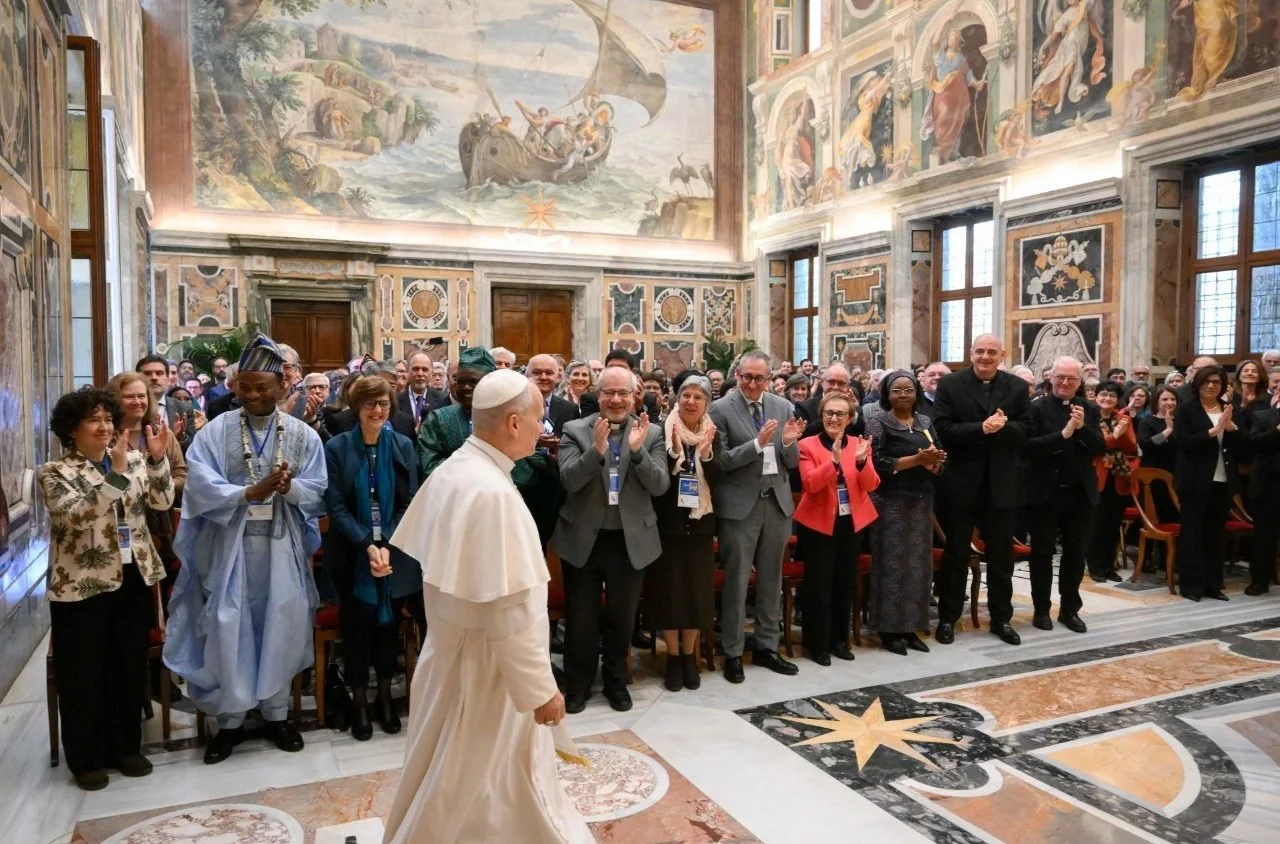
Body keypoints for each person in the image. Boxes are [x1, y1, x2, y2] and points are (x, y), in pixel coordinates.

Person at [385, 370, 591, 844]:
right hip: (490, 673)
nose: (545, 428)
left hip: (454, 656)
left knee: (448, 774)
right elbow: (509, 610)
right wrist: (541, 690)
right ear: (514, 423)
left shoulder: (457, 469)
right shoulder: (493, 493)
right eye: (540, 417)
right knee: (479, 789)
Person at [164, 334, 328, 764]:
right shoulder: (216, 431)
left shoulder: (301, 434)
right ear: (235, 386)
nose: (254, 395)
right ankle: (230, 721)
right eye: (246, 387)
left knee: (282, 624)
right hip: (229, 549)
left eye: (264, 388)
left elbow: (319, 490)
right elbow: (199, 484)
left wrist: (289, 489)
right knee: (228, 626)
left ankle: (276, 715)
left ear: (282, 388)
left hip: (281, 547)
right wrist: (248, 493)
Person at [40, 388, 174, 790]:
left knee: (127, 665)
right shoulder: (54, 473)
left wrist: (155, 458)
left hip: (132, 577)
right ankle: (85, 758)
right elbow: (76, 516)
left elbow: (164, 501)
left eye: (108, 419)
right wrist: (115, 474)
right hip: (80, 585)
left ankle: (126, 747)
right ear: (71, 430)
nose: (104, 427)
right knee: (82, 672)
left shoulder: (132, 459)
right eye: (93, 420)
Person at [551, 366, 669, 713]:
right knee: (582, 619)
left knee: (622, 618)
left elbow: (660, 485)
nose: (616, 400)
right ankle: (578, 685)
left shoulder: (651, 433)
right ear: (597, 395)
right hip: (584, 539)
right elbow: (570, 481)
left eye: (623, 393)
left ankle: (617, 683)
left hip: (630, 541)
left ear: (636, 396)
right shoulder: (575, 430)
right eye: (608, 393)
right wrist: (597, 451)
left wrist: (637, 452)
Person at [323, 376, 420, 741]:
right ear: (356, 408)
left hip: (394, 552)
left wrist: (387, 542)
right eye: (369, 404)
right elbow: (335, 505)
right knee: (357, 630)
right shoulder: (337, 448)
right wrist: (368, 543)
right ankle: (360, 701)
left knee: (388, 629)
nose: (377, 411)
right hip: (352, 553)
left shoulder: (403, 445)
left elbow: (410, 500)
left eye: (383, 404)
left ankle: (384, 699)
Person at [710, 351, 806, 682]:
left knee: (771, 579)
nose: (752, 384)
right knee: (737, 579)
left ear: (769, 378)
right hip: (739, 506)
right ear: (737, 375)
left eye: (759, 378)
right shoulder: (720, 408)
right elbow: (719, 462)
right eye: (747, 377)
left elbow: (791, 462)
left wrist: (790, 443)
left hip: (776, 503)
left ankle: (767, 647)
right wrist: (756, 444)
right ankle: (734, 651)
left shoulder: (783, 407)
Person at [933, 334, 1031, 646]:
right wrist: (981, 428)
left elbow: (1027, 429)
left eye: (992, 352)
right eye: (980, 351)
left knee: (1001, 557)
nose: (985, 357)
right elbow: (943, 430)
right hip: (962, 484)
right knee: (956, 554)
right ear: (970, 353)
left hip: (1002, 485)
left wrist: (1004, 428)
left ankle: (1001, 618)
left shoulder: (1015, 387)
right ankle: (948, 618)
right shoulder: (951, 385)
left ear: (1002, 355)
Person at [644, 372, 722, 691]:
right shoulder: (659, 432)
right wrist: (676, 452)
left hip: (701, 527)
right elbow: (656, 483)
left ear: (706, 403)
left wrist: (704, 453)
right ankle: (673, 657)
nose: (691, 401)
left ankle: (690, 656)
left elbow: (721, 478)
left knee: (695, 596)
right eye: (686, 395)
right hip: (668, 527)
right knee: (670, 595)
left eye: (698, 397)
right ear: (677, 398)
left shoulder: (713, 433)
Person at [795, 392, 880, 664]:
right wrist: (832, 462)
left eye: (840, 414)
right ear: (821, 416)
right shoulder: (807, 445)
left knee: (845, 583)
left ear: (850, 418)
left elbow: (871, 485)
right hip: (818, 523)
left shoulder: (858, 444)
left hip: (851, 522)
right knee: (819, 586)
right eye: (829, 413)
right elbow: (810, 484)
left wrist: (861, 462)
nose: (834, 418)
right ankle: (817, 644)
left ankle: (839, 640)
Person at [865, 371, 946, 654]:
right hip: (889, 502)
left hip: (920, 501)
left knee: (918, 567)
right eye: (896, 390)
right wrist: (916, 460)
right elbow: (876, 462)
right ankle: (889, 630)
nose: (903, 395)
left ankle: (911, 627)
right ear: (887, 394)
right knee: (892, 567)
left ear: (916, 393)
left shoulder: (924, 422)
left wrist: (934, 463)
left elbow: (938, 456)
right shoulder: (878, 422)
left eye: (908, 389)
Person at [1174, 365, 1243, 602]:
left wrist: (1232, 429)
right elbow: (1183, 442)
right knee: (1192, 533)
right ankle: (1191, 586)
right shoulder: (1186, 409)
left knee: (1215, 533)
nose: (1212, 386)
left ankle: (1214, 585)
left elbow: (1243, 446)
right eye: (1207, 382)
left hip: (1222, 479)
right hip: (1194, 480)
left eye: (1216, 382)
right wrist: (1213, 431)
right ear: (1198, 384)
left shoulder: (1229, 408)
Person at [416, 347, 497, 478]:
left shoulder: (505, 417)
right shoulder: (438, 419)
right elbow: (427, 465)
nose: (466, 387)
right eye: (461, 381)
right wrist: (472, 471)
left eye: (473, 382)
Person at [1088, 382, 1139, 583]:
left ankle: (1109, 565)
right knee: (1096, 524)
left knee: (1113, 524)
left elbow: (1131, 447)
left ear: (1118, 400)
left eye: (1112, 396)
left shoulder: (1123, 419)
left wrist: (1123, 433)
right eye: (1103, 394)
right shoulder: (1090, 418)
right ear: (1096, 396)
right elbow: (1095, 446)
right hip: (1096, 474)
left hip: (1118, 476)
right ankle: (1094, 565)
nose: (1107, 399)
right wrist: (1114, 436)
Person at [1245, 389, 1280, 594]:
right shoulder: (1263, 416)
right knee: (1264, 536)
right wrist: (1277, 430)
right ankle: (1260, 580)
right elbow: (1255, 443)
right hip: (1268, 485)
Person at [1137, 385, 1180, 523]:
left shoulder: (1182, 421)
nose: (1169, 402)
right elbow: (1146, 445)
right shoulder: (1147, 421)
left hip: (1177, 473)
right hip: (1153, 476)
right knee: (1155, 516)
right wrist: (1167, 431)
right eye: (1165, 399)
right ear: (1157, 401)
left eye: (1173, 399)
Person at [138, 354, 195, 450]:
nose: (154, 377)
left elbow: (192, 449)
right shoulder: (131, 407)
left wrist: (180, 437)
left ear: (168, 379)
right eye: (147, 373)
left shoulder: (183, 409)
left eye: (159, 373)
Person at [528, 354, 581, 435]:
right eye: (537, 372)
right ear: (527, 375)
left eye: (549, 373)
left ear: (557, 377)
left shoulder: (570, 410)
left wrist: (557, 444)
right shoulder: (515, 406)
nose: (543, 377)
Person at [400, 352, 451, 426]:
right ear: (408, 372)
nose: (420, 373)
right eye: (415, 369)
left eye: (425, 369)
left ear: (431, 373)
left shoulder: (443, 400)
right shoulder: (395, 401)